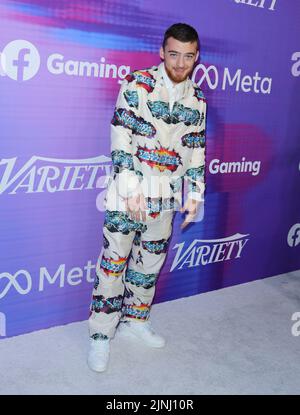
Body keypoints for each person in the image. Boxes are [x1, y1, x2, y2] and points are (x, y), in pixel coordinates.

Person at [87, 22, 207, 372]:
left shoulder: (197, 98)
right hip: (129, 196)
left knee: (148, 266)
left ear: (196, 57)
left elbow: (196, 149)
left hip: (166, 197)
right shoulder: (137, 85)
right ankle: (100, 335)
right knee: (113, 266)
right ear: (162, 52)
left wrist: (195, 192)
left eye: (188, 56)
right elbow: (120, 137)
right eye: (174, 54)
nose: (180, 63)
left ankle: (135, 322)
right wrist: (129, 188)